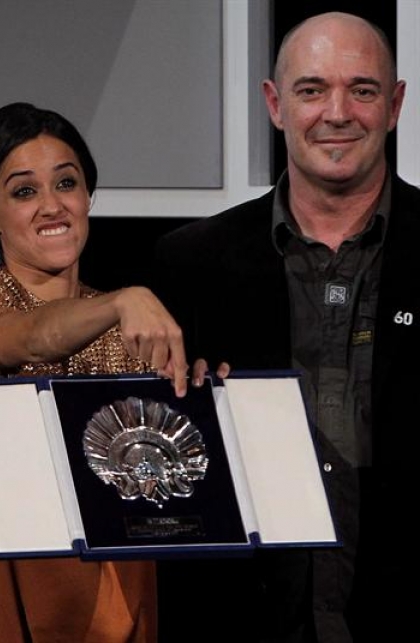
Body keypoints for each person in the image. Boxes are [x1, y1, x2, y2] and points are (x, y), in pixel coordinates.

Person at [152, 11, 414, 642]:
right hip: (242, 620)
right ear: (274, 105)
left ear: (396, 104)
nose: (338, 112)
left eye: (363, 89)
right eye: (311, 89)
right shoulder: (188, 264)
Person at [0, 102, 191, 643]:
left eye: (66, 183)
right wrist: (123, 300)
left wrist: (199, 402)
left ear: (88, 196)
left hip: (111, 608)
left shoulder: (130, 332)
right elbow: (29, 339)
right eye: (23, 191)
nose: (51, 205)